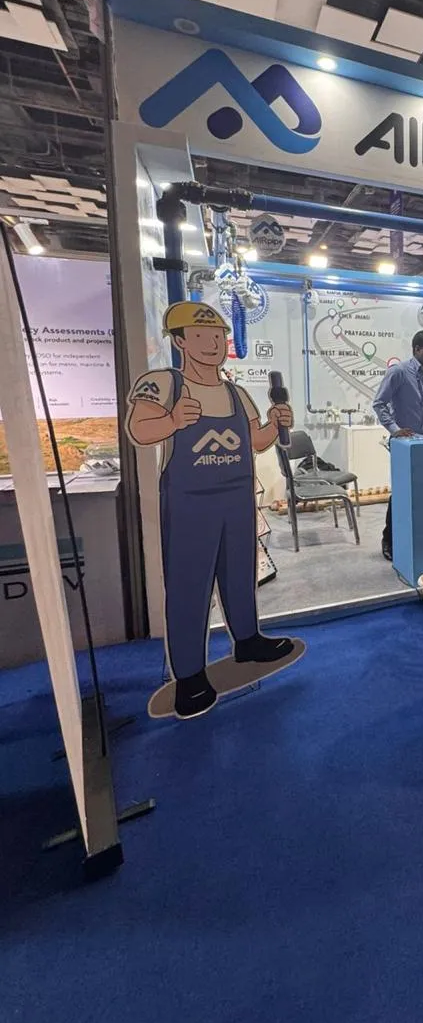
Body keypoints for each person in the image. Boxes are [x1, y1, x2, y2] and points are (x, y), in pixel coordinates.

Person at [125, 301, 296, 719]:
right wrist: (171, 421)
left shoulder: (236, 393)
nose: (212, 344)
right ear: (180, 341)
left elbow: (255, 441)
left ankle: (248, 641)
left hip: (236, 500)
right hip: (189, 504)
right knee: (189, 585)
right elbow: (138, 429)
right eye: (201, 336)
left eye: (218, 336)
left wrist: (275, 424)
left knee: (240, 575)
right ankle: (189, 676)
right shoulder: (163, 384)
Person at [372, 329, 423, 561]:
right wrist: (395, 430)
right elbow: (379, 403)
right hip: (403, 444)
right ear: (417, 349)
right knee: (401, 492)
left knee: (422, 491)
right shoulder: (399, 372)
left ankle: (416, 539)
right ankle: (389, 539)